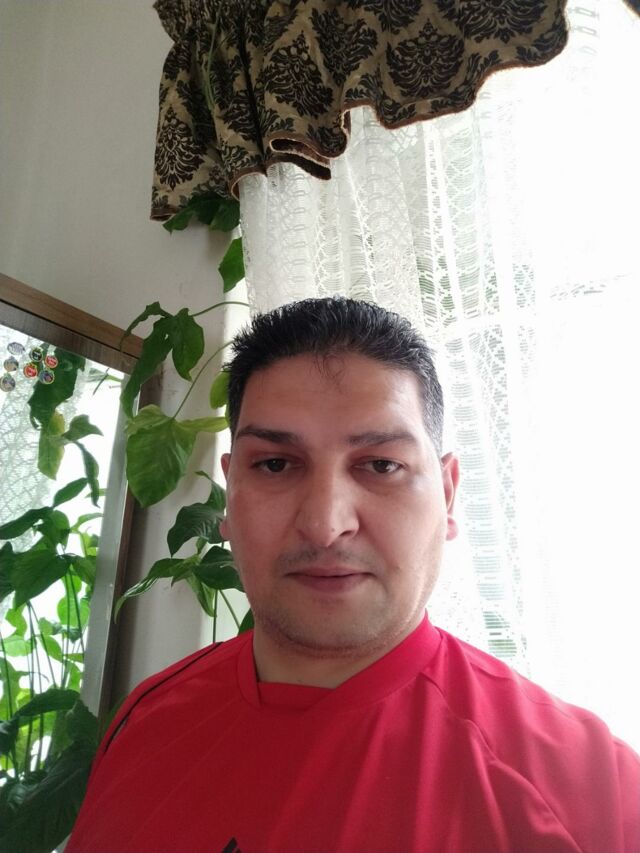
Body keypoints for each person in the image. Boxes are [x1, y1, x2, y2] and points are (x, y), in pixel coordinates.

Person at [67, 298, 640, 853]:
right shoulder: (145, 718)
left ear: (447, 494)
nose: (324, 525)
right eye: (274, 464)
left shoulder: (593, 794)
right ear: (230, 490)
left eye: (382, 465)